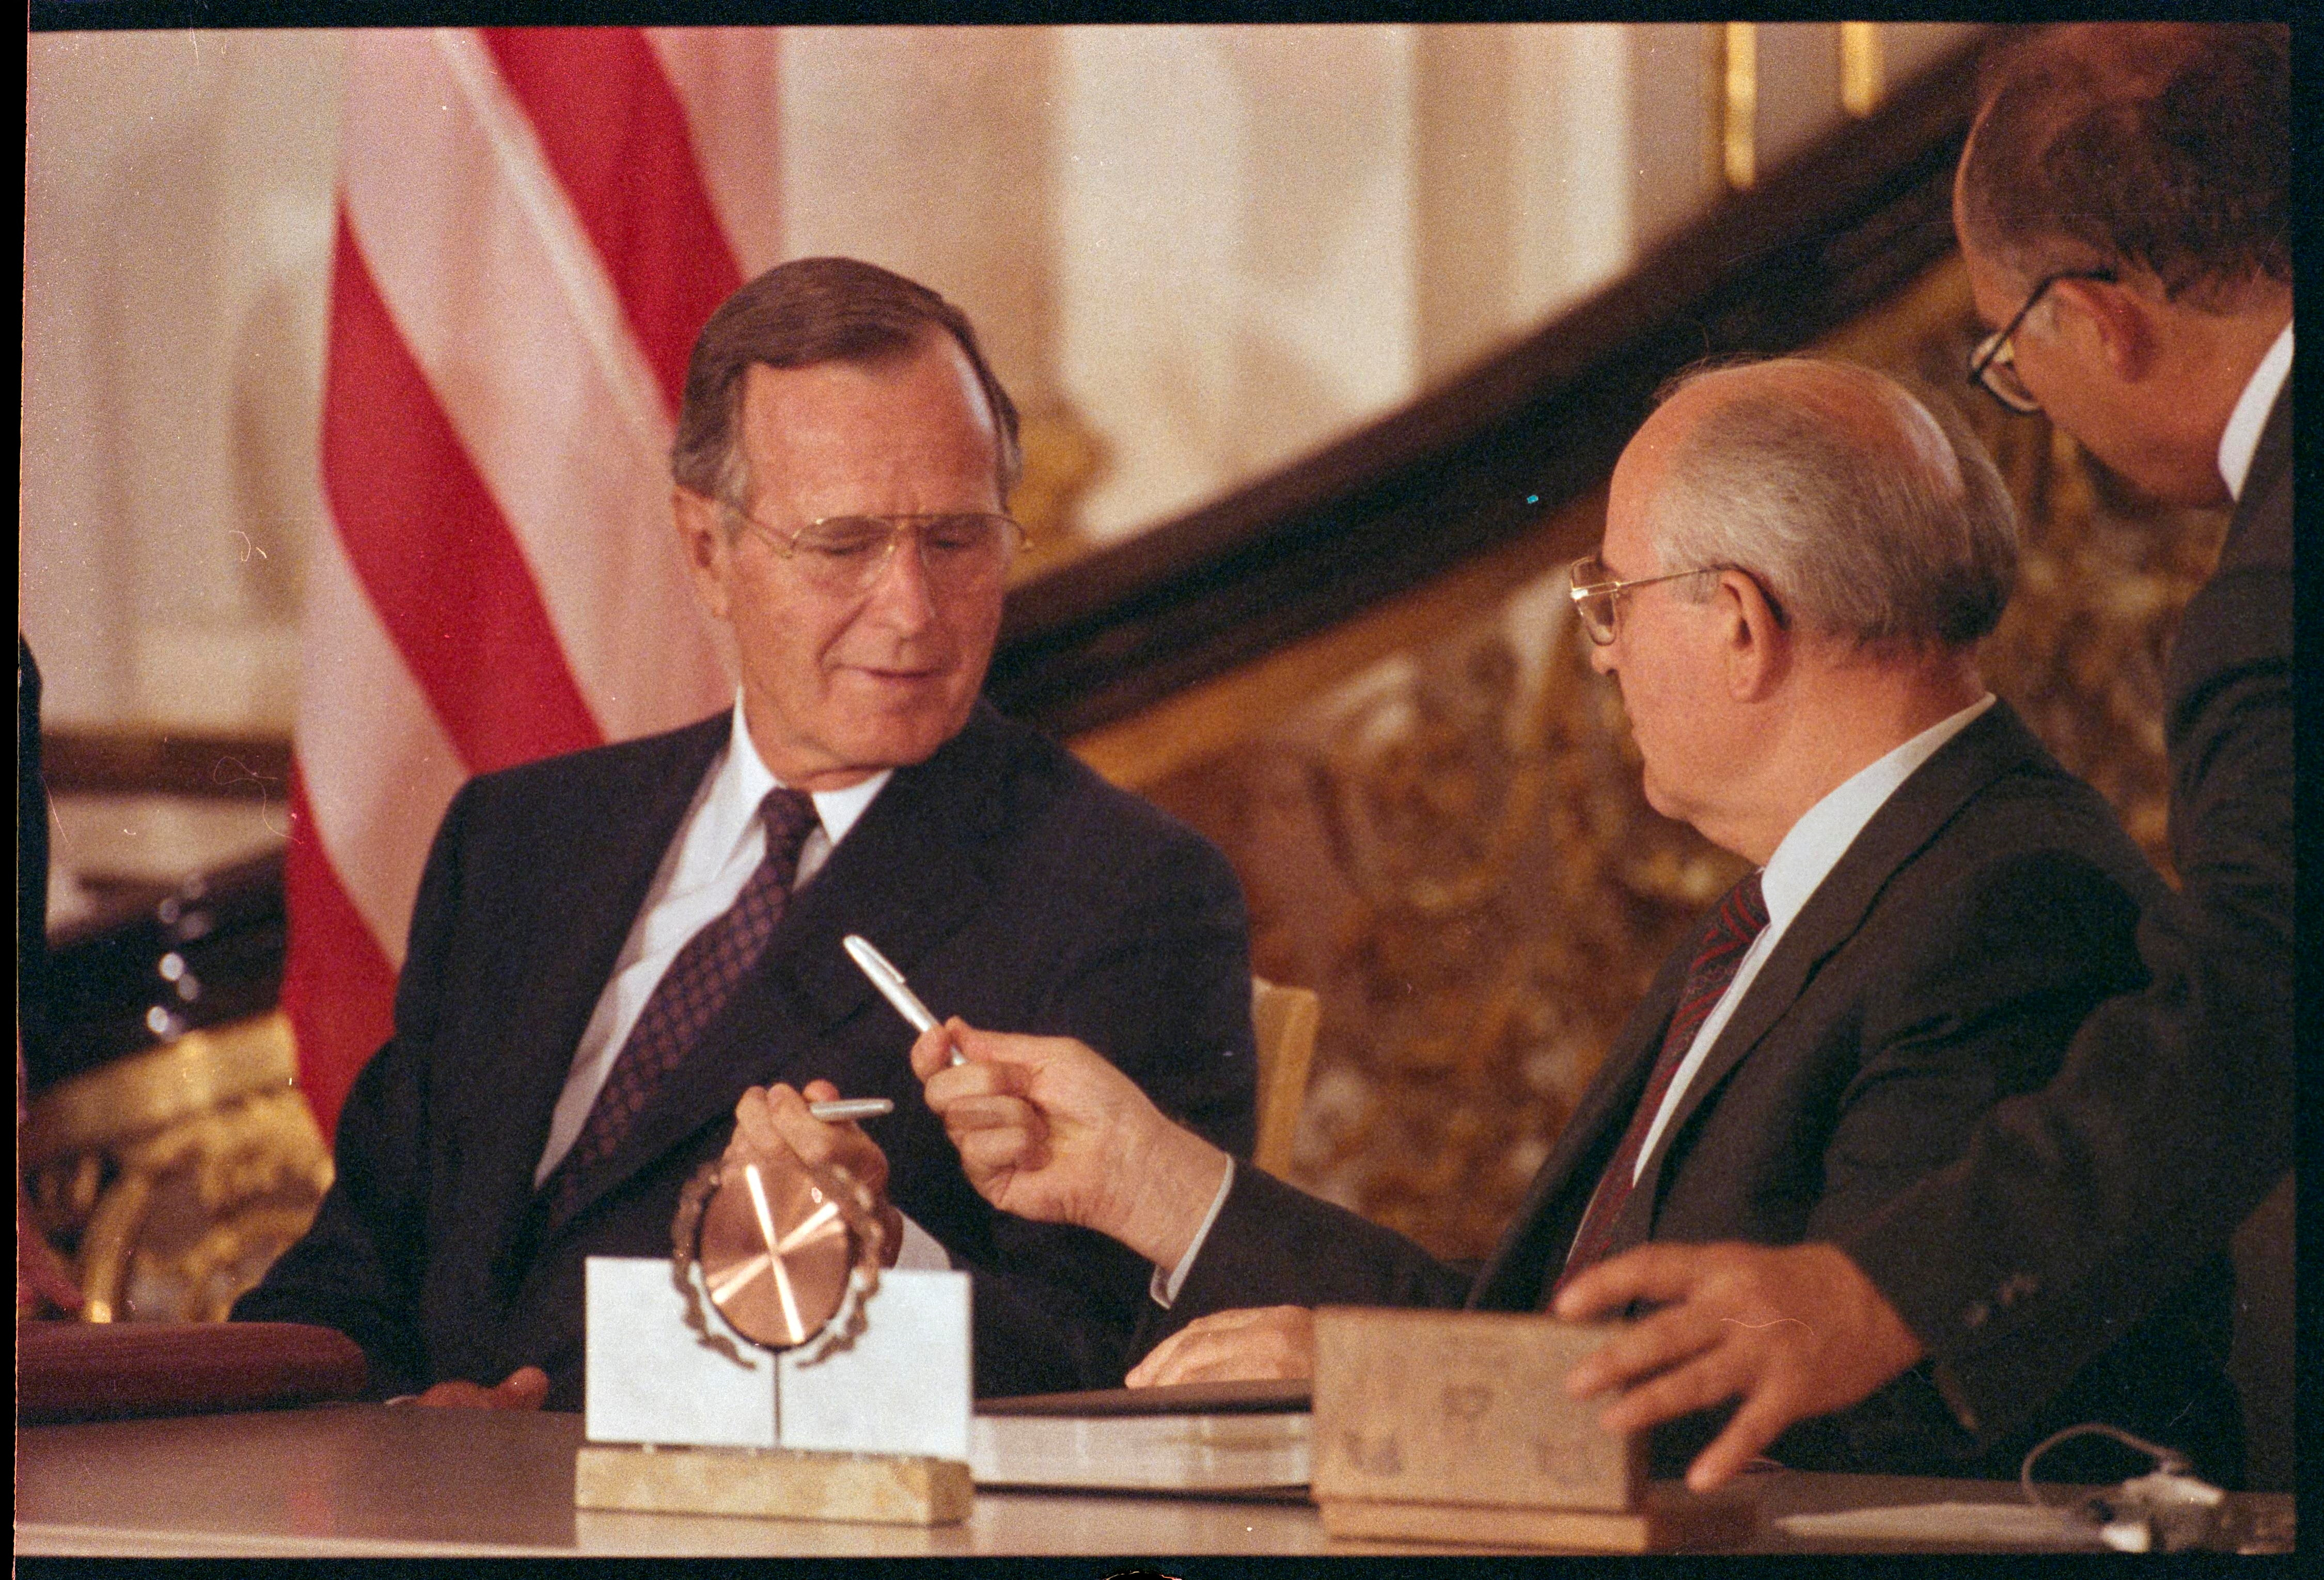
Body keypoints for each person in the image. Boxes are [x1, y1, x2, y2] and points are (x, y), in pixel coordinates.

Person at [908, 356, 2242, 1484]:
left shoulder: (2003, 906)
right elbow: (1539, 1326)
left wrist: (1372, 1380)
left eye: (1613, 601)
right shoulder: (1830, 885)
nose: (1600, 653)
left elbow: (1832, 1420)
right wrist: (1148, 1180)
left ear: (1738, 623)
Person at [234, 258, 1258, 1408]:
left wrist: (867, 1274)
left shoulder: (1125, 894)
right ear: (709, 551)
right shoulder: (519, 841)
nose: (914, 609)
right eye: (845, 545)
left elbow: (1118, 1366)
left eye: (958, 541)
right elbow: (357, 1270)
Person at [1538, 22, 2290, 1492]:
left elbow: (2271, 985)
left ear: (2101, 316)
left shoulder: (2255, 607)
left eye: (2012, 354)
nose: (1609, 658)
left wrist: (1889, 1289)